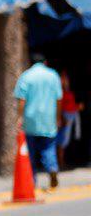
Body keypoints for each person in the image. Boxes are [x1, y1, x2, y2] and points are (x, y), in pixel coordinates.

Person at [14, 53, 63, 190]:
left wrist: (20, 117)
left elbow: (22, 100)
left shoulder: (26, 76)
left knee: (30, 152)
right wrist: (58, 117)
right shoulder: (53, 75)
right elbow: (59, 98)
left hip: (31, 120)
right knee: (49, 148)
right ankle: (52, 167)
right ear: (45, 62)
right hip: (48, 119)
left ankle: (31, 180)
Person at [57, 70, 82, 170]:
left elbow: (70, 106)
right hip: (65, 118)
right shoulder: (60, 92)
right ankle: (60, 163)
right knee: (61, 141)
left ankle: (62, 162)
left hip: (71, 117)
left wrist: (77, 107)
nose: (65, 80)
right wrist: (62, 118)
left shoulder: (68, 92)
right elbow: (60, 106)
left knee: (65, 140)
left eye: (66, 78)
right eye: (63, 78)